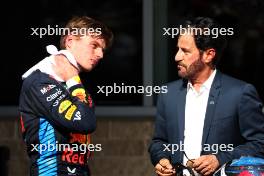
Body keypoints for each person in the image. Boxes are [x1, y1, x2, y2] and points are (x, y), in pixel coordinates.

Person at [148, 17, 264, 176]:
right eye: (177, 49)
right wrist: (161, 159)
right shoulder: (168, 93)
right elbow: (159, 142)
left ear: (209, 55)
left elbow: (259, 143)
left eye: (185, 51)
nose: (177, 57)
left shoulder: (240, 93)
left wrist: (219, 158)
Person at [19, 16, 113, 176]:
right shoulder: (39, 80)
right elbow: (86, 123)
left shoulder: (74, 83)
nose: (100, 55)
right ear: (70, 41)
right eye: (94, 45)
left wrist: (73, 81)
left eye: (102, 49)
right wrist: (73, 80)